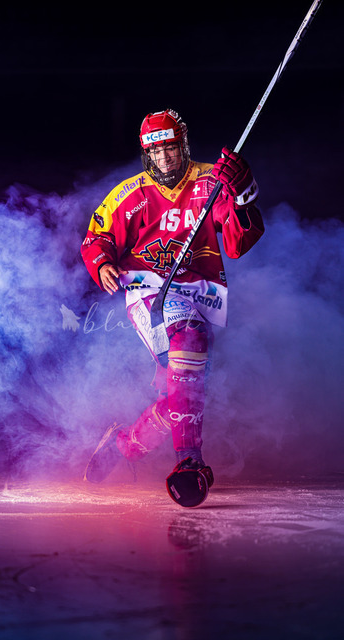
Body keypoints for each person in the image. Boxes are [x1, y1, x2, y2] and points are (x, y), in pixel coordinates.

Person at [80, 109, 264, 507]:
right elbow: (97, 236)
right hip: (149, 290)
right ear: (146, 154)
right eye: (156, 152)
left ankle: (126, 445)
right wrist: (103, 262)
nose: (164, 158)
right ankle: (189, 460)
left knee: (186, 389)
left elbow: (238, 243)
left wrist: (243, 193)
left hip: (200, 293)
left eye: (171, 148)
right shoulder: (130, 193)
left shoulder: (210, 182)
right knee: (189, 340)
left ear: (184, 145)